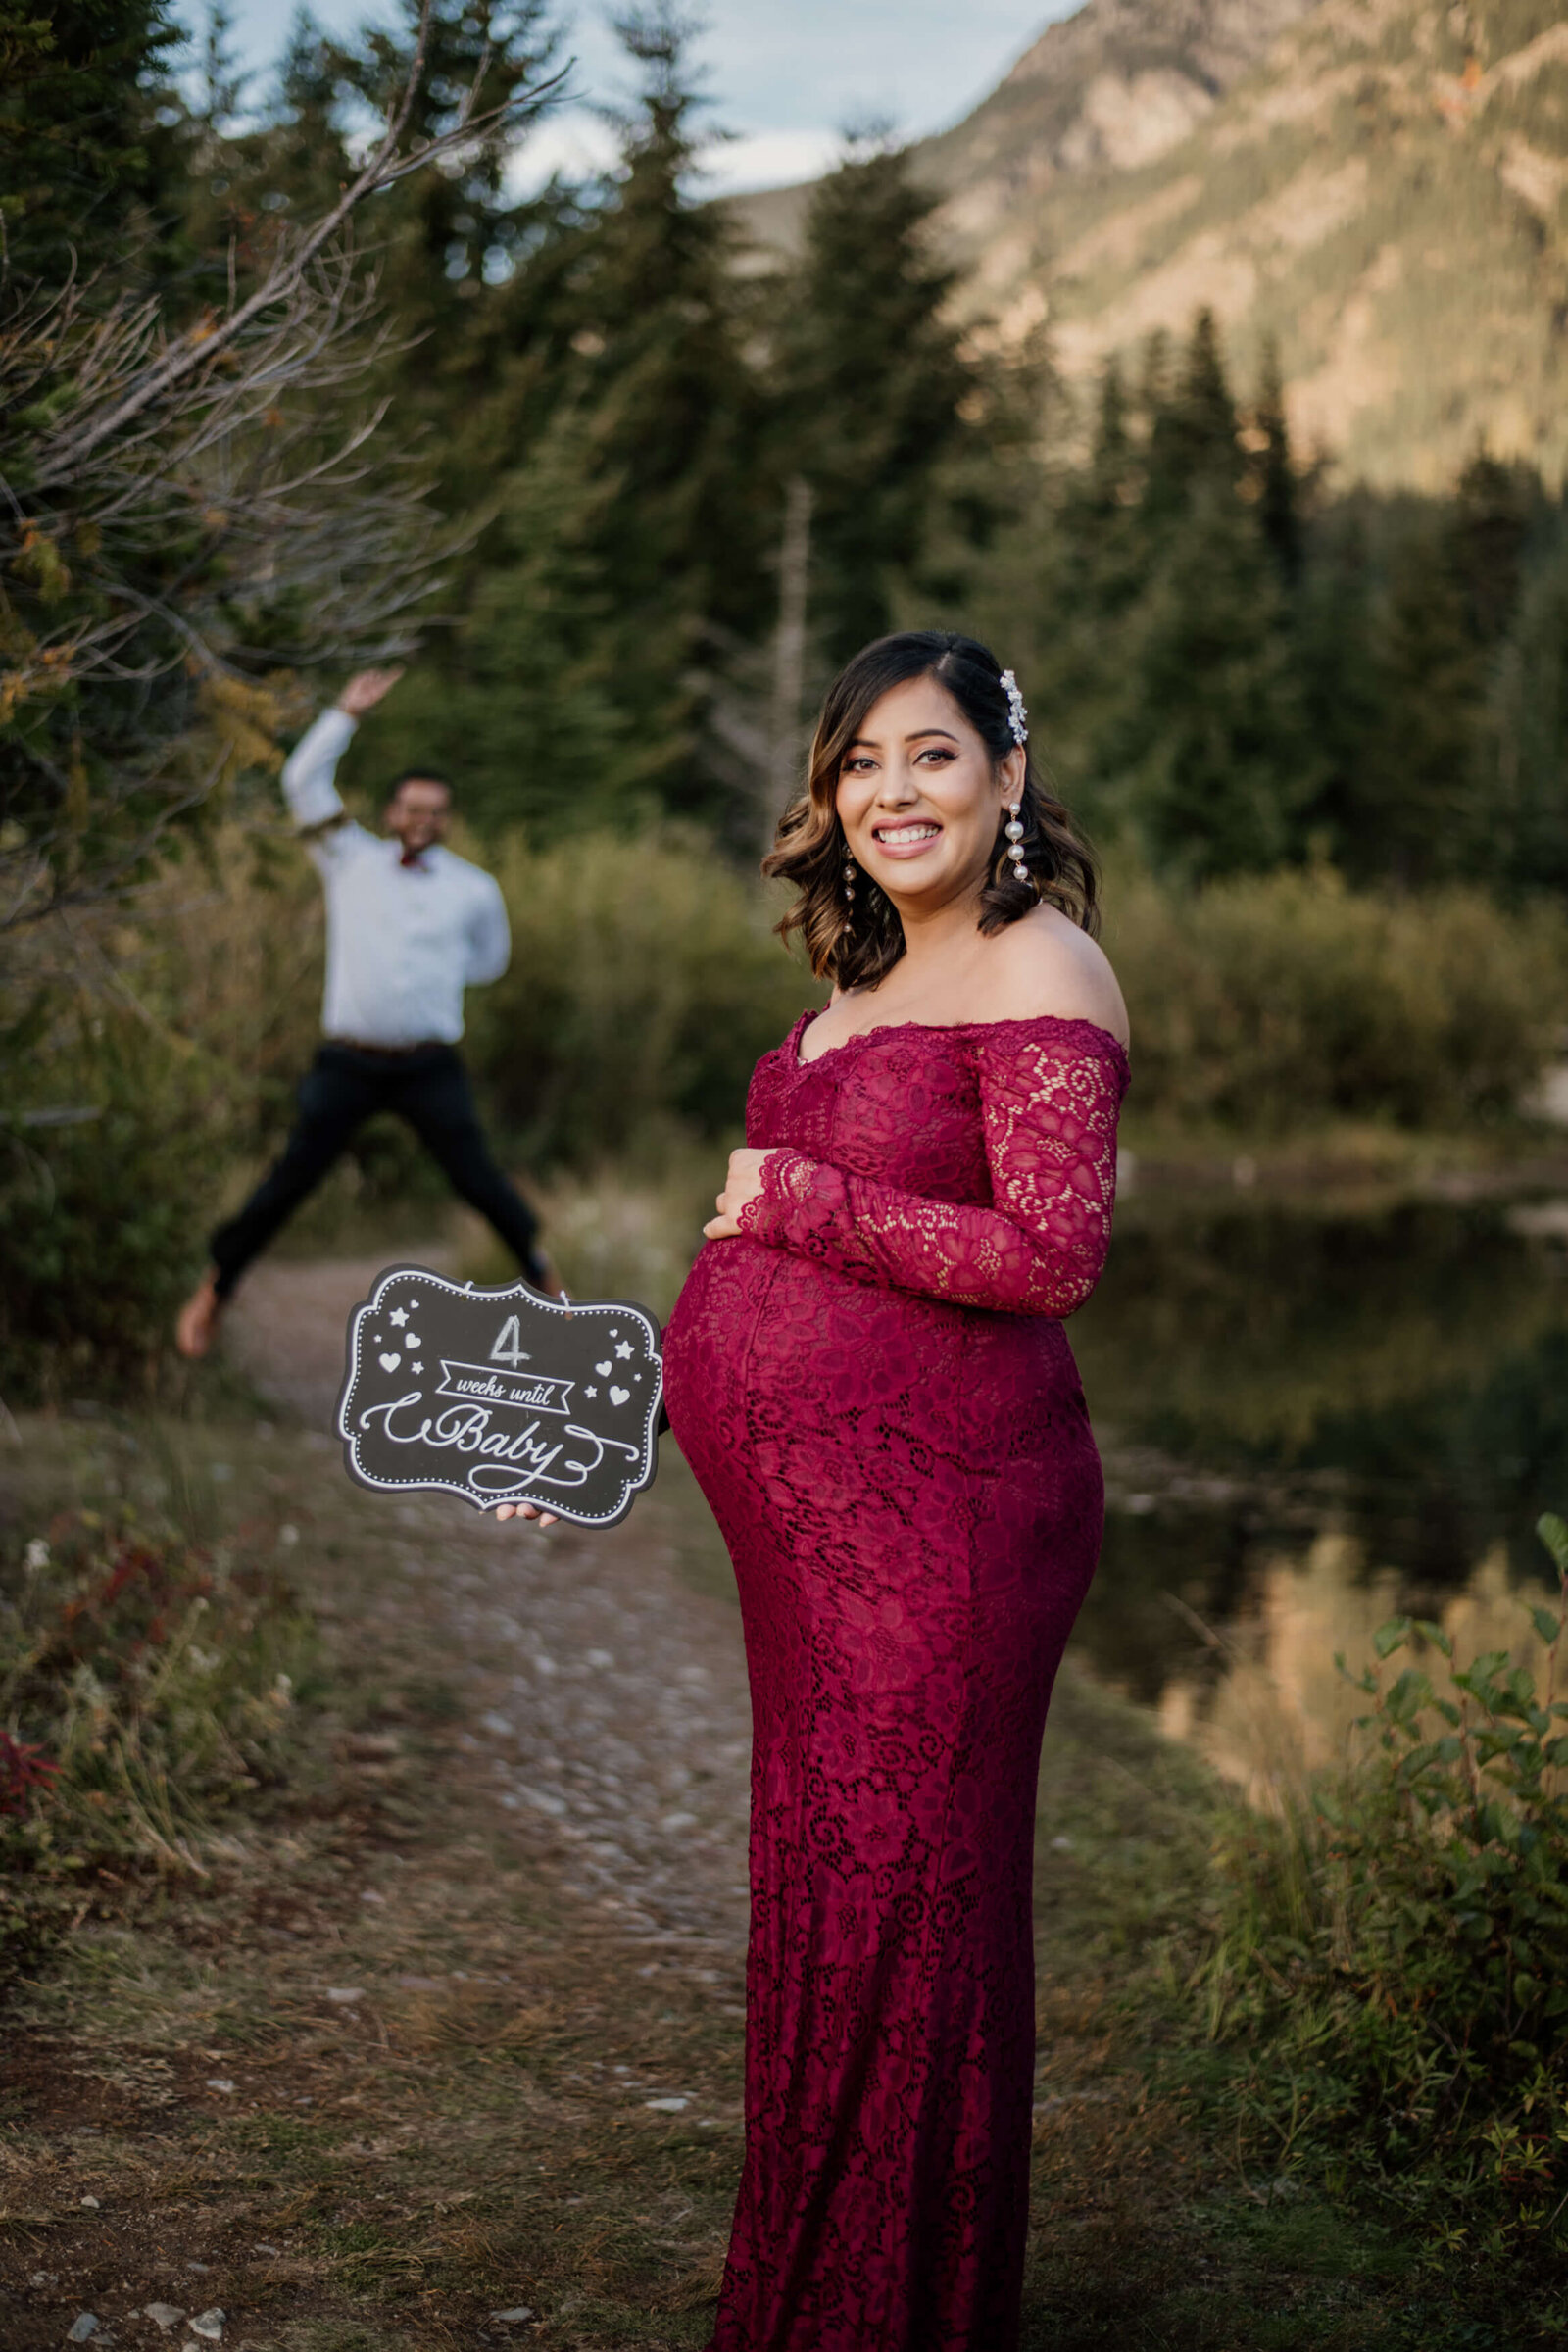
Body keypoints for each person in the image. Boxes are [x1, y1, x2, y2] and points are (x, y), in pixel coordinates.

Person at [502, 629, 1130, 2347]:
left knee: (902, 1920)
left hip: (957, 1524)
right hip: (815, 1550)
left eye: (930, 755)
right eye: (860, 762)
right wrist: (592, 1438)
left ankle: (895, 2309)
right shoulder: (853, 989)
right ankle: (811, 2294)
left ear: (1006, 776)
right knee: (825, 1910)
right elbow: (744, 1285)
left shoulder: (1041, 966)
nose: (890, 792)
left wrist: (802, 1206)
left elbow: (1054, 1251)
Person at [175, 667, 548, 1359]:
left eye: (435, 811)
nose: (422, 820)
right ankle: (215, 1289)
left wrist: (431, 987)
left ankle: (548, 1286)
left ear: (447, 819)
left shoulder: (474, 889)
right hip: (348, 1061)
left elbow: (487, 961)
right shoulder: (347, 859)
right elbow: (300, 786)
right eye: (411, 808)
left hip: (427, 1066)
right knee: (289, 1179)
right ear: (389, 812)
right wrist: (344, 713)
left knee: (479, 1178)